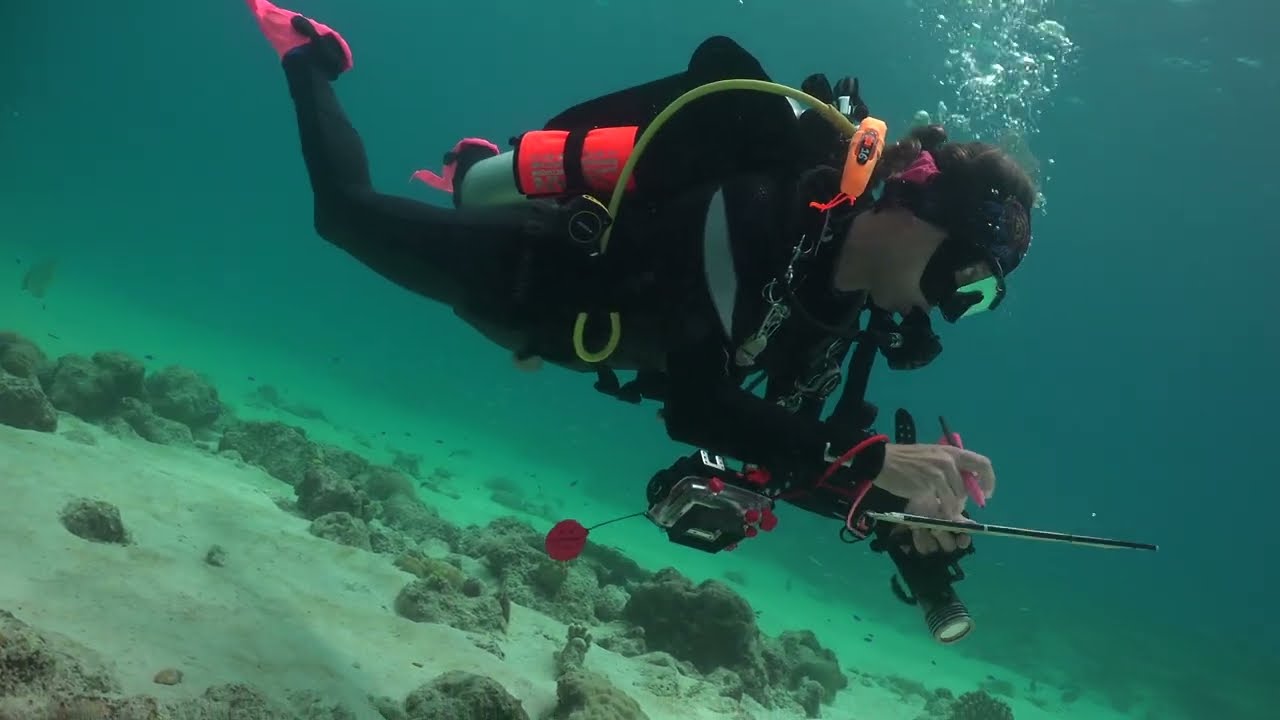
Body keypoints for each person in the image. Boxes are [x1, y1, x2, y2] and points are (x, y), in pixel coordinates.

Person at [244, 1, 1037, 555]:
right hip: (535, 280)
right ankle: (311, 55)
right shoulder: (768, 209)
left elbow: (773, 451)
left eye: (983, 301)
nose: (954, 309)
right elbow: (699, 406)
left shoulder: (837, 319)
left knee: (461, 189)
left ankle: (473, 168)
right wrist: (864, 464)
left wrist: (898, 510)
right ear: (915, 205)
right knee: (344, 215)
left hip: (582, 341)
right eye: (965, 278)